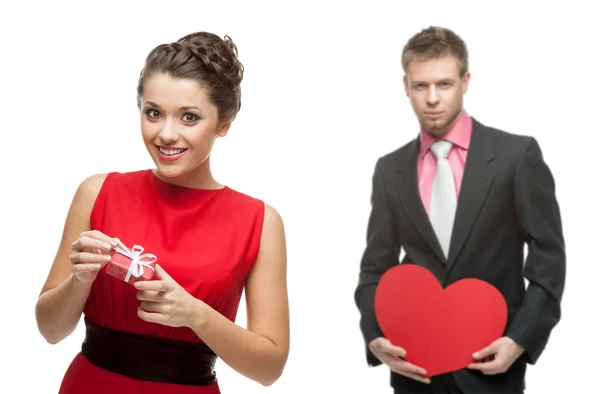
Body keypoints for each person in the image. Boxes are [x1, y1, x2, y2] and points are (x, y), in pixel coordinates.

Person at [35, 32, 290, 394]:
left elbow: (269, 369)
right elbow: (50, 330)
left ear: (224, 124)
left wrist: (194, 314)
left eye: (189, 117)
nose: (166, 134)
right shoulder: (97, 192)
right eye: (153, 113)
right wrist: (79, 281)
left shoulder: (261, 222)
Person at [354, 26, 565, 394]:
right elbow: (376, 267)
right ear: (406, 86)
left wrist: (519, 339)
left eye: (444, 84)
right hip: (414, 372)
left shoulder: (516, 156)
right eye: (421, 86)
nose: (432, 98)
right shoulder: (390, 169)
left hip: (493, 368)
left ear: (465, 81)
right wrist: (375, 336)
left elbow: (549, 257)